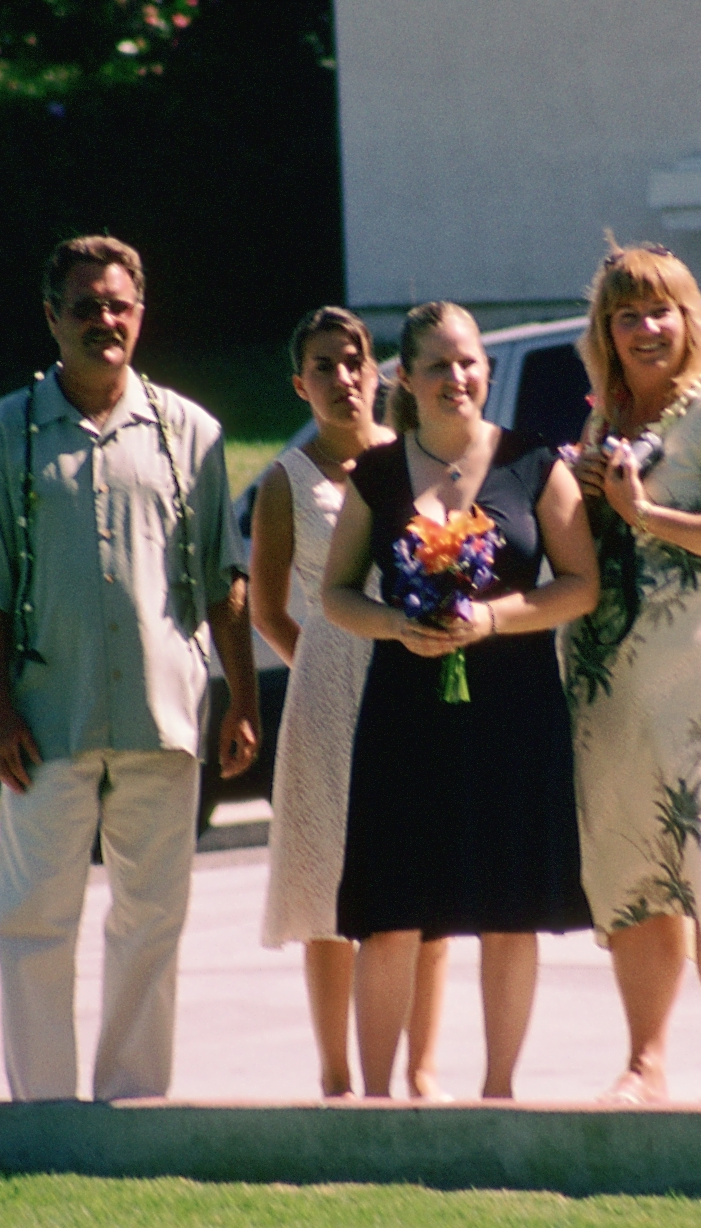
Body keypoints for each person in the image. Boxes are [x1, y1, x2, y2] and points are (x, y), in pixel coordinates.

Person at [0, 235, 260, 1102]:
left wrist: (241, 700)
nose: (103, 321)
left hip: (162, 713)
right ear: (52, 318)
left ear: (140, 315)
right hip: (47, 718)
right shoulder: (4, 436)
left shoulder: (191, 434)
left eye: (118, 306)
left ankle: (132, 1104)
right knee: (35, 917)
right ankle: (44, 1110)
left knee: (153, 918)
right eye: (85, 307)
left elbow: (224, 579)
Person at [323, 300, 599, 1099]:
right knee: (392, 910)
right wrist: (395, 625)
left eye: (468, 360)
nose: (457, 377)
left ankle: (499, 1093)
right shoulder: (377, 475)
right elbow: (337, 593)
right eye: (438, 365)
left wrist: (494, 617)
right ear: (405, 379)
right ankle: (377, 1103)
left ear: (487, 368)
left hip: (515, 710)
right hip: (405, 713)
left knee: (511, 907)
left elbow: (580, 585)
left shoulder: (532, 463)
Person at [560, 242, 701, 1105]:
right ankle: (645, 1061)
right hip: (611, 682)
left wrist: (644, 512)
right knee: (633, 866)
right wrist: (585, 490)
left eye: (662, 311)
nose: (647, 329)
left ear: (690, 321)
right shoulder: (606, 420)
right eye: (628, 316)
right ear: (605, 332)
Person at [251, 306, 450, 1099]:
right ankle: (337, 1072)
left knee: (427, 887)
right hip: (328, 699)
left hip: (417, 681)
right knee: (331, 890)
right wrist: (320, 667)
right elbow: (266, 608)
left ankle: (422, 1068)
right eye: (323, 367)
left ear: (379, 372)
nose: (343, 378)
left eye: (354, 361)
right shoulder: (285, 481)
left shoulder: (416, 462)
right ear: (300, 384)